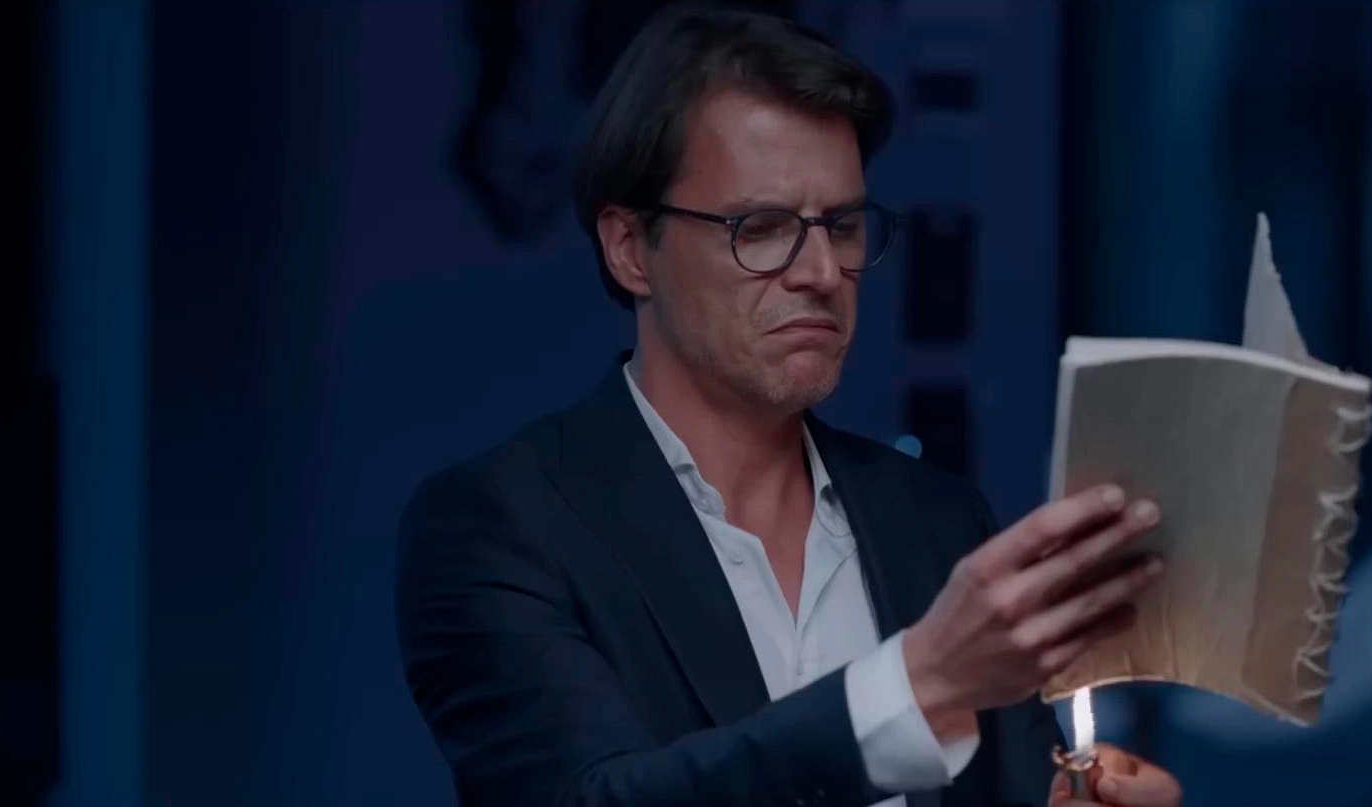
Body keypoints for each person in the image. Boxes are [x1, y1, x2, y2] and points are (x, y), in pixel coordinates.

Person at [396, 6, 1183, 806]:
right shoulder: (499, 526)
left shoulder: (938, 521)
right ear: (630, 249)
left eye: (842, 226)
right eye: (762, 227)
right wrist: (912, 686)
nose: (822, 272)